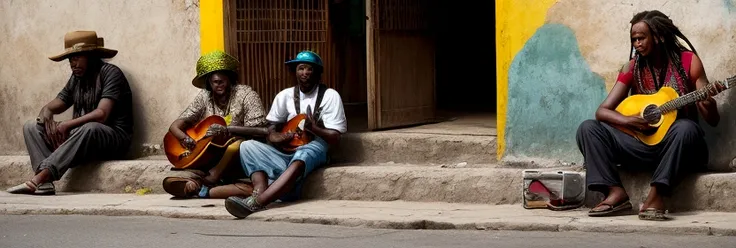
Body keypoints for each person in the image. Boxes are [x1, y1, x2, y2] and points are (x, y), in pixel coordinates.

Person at [576, 10, 723, 220]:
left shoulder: (689, 62)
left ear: (658, 37)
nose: (636, 43)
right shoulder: (632, 68)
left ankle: (656, 196)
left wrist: (707, 103)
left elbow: (713, 120)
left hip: (677, 148)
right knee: (588, 128)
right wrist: (628, 121)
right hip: (641, 146)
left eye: (641, 38)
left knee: (686, 128)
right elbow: (602, 111)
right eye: (633, 39)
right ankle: (615, 192)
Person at [7, 31, 134, 195]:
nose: (73, 63)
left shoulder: (110, 73)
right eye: (70, 59)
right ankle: (46, 184)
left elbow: (101, 114)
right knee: (31, 126)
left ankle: (41, 177)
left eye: (77, 57)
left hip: (113, 140)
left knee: (91, 128)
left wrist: (67, 125)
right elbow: (49, 108)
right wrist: (48, 123)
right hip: (82, 140)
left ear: (91, 56)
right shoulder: (76, 79)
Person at [224, 50, 347, 218]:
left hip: (314, 146)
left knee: (305, 153)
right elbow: (271, 127)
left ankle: (258, 203)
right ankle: (258, 191)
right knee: (247, 146)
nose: (305, 73)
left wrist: (315, 129)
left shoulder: (330, 96)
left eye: (310, 69)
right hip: (286, 151)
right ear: (294, 72)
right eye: (301, 68)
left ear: (318, 73)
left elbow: (335, 138)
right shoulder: (285, 96)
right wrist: (274, 136)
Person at [162, 50, 269, 199]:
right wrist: (185, 140)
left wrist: (228, 130)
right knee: (168, 183)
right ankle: (196, 186)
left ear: (230, 78)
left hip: (239, 156)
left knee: (236, 145)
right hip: (209, 155)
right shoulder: (204, 96)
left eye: (222, 80)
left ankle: (211, 182)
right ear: (208, 83)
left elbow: (259, 130)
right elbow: (175, 126)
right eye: (214, 81)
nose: (218, 83)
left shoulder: (246, 94)